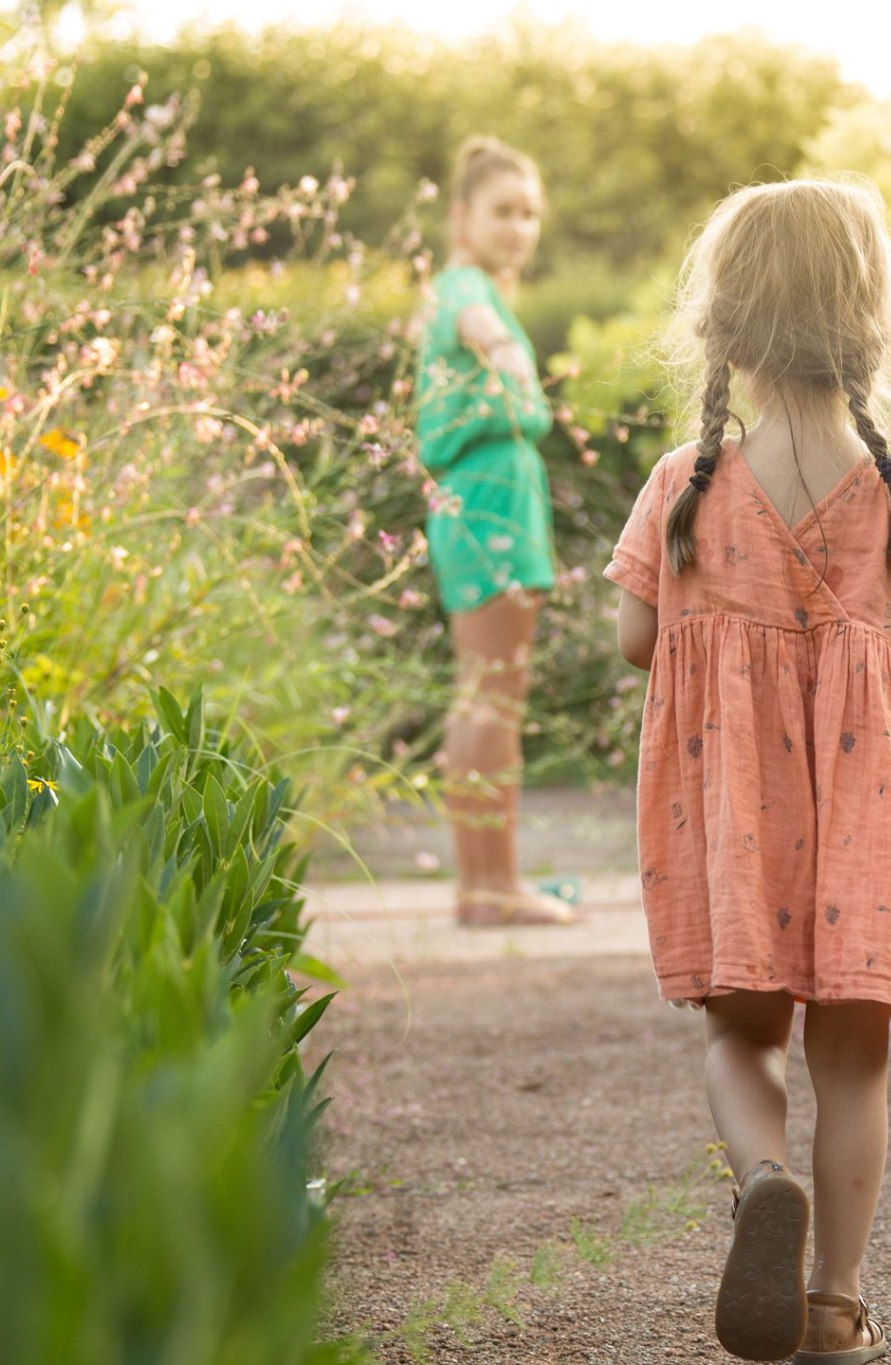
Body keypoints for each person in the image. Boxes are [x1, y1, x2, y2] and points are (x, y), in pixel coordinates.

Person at [604, 178, 891, 1364]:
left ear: (725, 326)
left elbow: (633, 638)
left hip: (735, 823)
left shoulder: (686, 483)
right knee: (852, 1058)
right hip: (862, 820)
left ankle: (763, 1177)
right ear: (868, 323)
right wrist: (871, 674)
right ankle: (833, 1302)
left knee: (741, 1038)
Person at [415, 136, 578, 927]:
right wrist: (508, 350)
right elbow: (477, 323)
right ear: (462, 216)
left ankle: (485, 885)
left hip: (489, 501)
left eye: (530, 213)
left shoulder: (467, 284)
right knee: (493, 699)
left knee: (487, 696)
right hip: (487, 506)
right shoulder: (464, 287)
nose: (519, 227)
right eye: (503, 211)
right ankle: (493, 888)